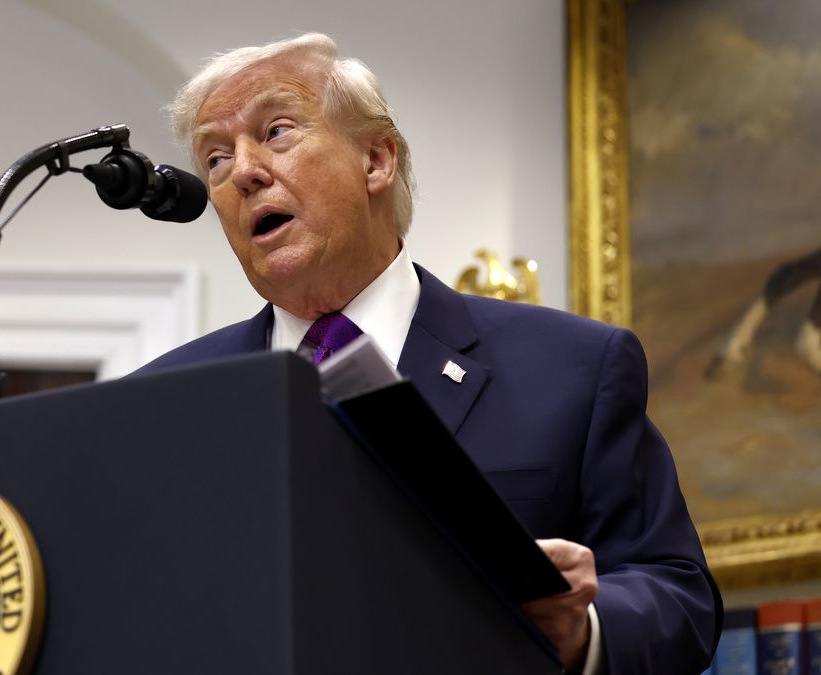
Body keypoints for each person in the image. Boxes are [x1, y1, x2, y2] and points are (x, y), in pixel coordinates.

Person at [136, 33, 721, 674]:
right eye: (215, 160)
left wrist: (582, 630)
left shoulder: (575, 368)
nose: (242, 172)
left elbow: (678, 598)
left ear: (377, 160)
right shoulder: (160, 404)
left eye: (275, 131)